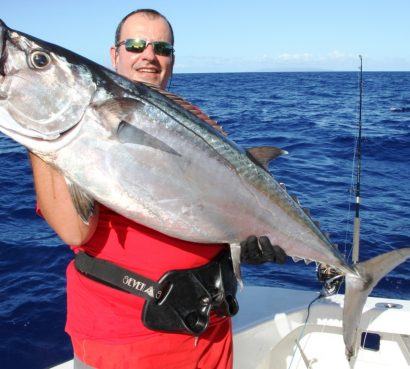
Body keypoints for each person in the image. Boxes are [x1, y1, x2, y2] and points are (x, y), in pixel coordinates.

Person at [30, 9, 285, 369]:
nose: (149, 55)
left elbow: (207, 209)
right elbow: (73, 229)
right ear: (114, 55)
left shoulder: (196, 126)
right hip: (122, 344)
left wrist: (245, 244)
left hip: (210, 331)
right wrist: (42, 128)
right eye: (135, 45)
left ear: (172, 60)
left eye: (161, 48)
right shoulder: (78, 133)